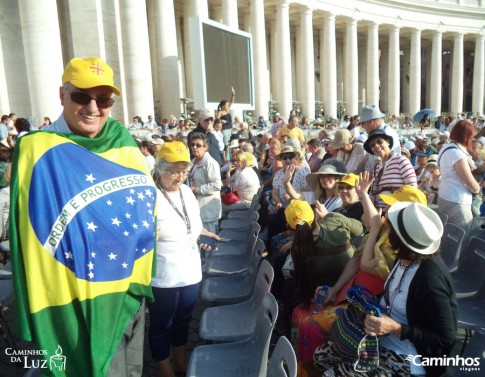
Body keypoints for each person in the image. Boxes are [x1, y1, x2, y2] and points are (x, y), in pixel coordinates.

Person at [11, 57, 156, 376]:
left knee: (132, 370)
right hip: (79, 296)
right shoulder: (38, 151)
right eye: (81, 96)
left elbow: (143, 199)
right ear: (62, 95)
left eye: (103, 99)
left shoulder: (121, 138)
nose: (93, 107)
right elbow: (27, 235)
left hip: (129, 287)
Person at [314, 202, 457, 377]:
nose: (386, 228)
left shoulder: (430, 280)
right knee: (321, 357)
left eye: (391, 228)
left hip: (409, 356)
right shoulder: (403, 258)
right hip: (380, 338)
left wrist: (396, 328)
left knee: (332, 374)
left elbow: (445, 338)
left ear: (400, 240)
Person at [149, 141, 218, 377]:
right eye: (174, 170)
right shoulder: (150, 196)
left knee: (183, 321)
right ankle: (164, 366)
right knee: (161, 326)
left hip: (190, 273)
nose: (180, 177)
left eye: (184, 171)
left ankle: (180, 359)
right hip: (164, 277)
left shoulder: (187, 191)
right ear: (159, 169)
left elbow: (191, 224)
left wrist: (202, 234)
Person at [437, 119, 480, 238]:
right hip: (457, 200)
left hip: (444, 196)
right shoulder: (457, 154)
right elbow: (469, 181)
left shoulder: (445, 148)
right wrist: (478, 190)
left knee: (448, 235)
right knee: (463, 236)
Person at [364, 129, 417, 208]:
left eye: (379, 142)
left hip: (396, 211)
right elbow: (373, 192)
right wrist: (370, 200)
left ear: (388, 142)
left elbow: (412, 189)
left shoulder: (401, 160)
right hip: (379, 213)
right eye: (372, 145)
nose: (376, 146)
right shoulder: (377, 168)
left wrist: (393, 206)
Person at [188, 132, 222, 233]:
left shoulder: (210, 163)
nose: (194, 147)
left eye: (198, 145)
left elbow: (216, 185)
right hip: (198, 208)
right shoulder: (193, 161)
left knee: (209, 242)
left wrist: (196, 190)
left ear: (206, 147)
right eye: (192, 145)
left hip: (208, 210)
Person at [222, 150, 260, 215]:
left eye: (238, 160)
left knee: (218, 206)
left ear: (243, 160)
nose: (235, 163)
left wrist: (228, 173)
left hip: (246, 203)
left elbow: (230, 191)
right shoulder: (248, 169)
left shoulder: (243, 173)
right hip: (249, 201)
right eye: (233, 161)